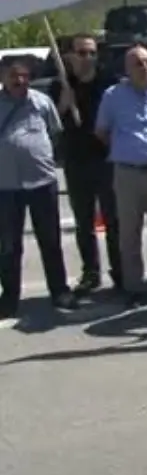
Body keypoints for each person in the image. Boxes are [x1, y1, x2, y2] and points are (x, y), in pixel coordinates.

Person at [95, 46, 147, 307]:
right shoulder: (113, 96)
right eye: (139, 63)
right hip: (127, 172)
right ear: (127, 69)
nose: (145, 68)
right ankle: (134, 287)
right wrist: (126, 149)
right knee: (129, 232)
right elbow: (102, 131)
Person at [0, 58, 79, 317]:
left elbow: (54, 133)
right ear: (2, 77)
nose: (20, 81)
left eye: (24, 76)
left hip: (42, 182)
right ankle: (9, 298)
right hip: (6, 186)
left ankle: (59, 291)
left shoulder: (41, 102)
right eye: (13, 76)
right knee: (9, 245)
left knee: (50, 240)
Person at [49, 34, 121, 293]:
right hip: (76, 160)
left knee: (114, 220)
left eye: (91, 52)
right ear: (70, 56)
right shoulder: (61, 85)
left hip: (106, 159)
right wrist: (63, 105)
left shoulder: (108, 83)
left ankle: (120, 271)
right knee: (84, 221)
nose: (88, 58)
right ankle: (91, 272)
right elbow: (51, 126)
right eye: (82, 53)